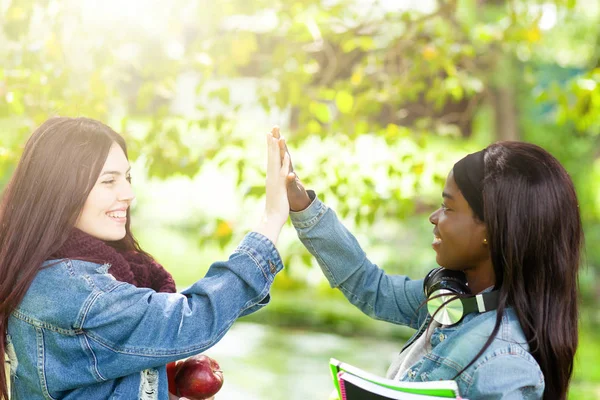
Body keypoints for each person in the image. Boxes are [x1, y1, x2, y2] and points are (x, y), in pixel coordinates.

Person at [0, 117, 291, 400]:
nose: (128, 193)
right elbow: (191, 319)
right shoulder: (77, 290)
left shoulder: (46, 269)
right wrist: (272, 219)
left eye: (126, 178)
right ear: (60, 191)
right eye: (108, 181)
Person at [278, 131, 580, 400]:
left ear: (493, 229)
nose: (434, 217)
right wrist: (302, 204)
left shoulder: (506, 363)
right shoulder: (452, 300)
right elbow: (371, 287)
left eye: (448, 207)